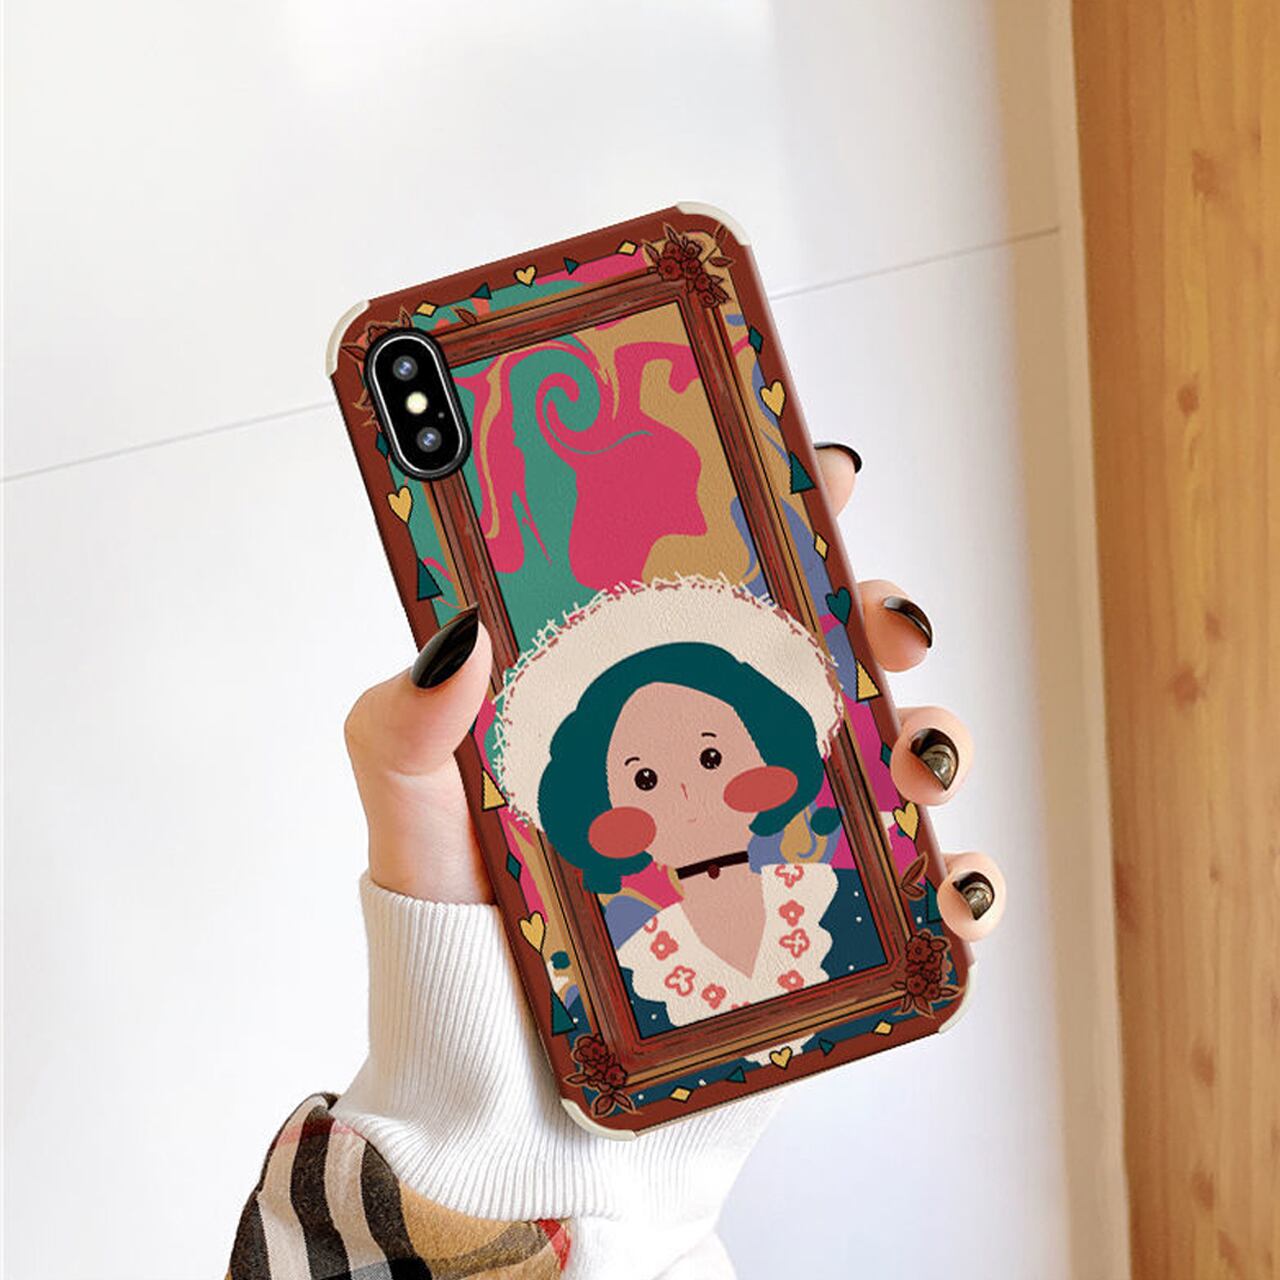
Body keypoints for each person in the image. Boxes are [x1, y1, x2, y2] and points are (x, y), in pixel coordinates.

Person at [226, 447, 1004, 1280]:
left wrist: (632, 1199)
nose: (687, 793)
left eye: (711, 756)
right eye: (644, 779)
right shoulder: (622, 986)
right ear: (615, 822)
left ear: (767, 771)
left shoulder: (844, 908)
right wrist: (480, 1146)